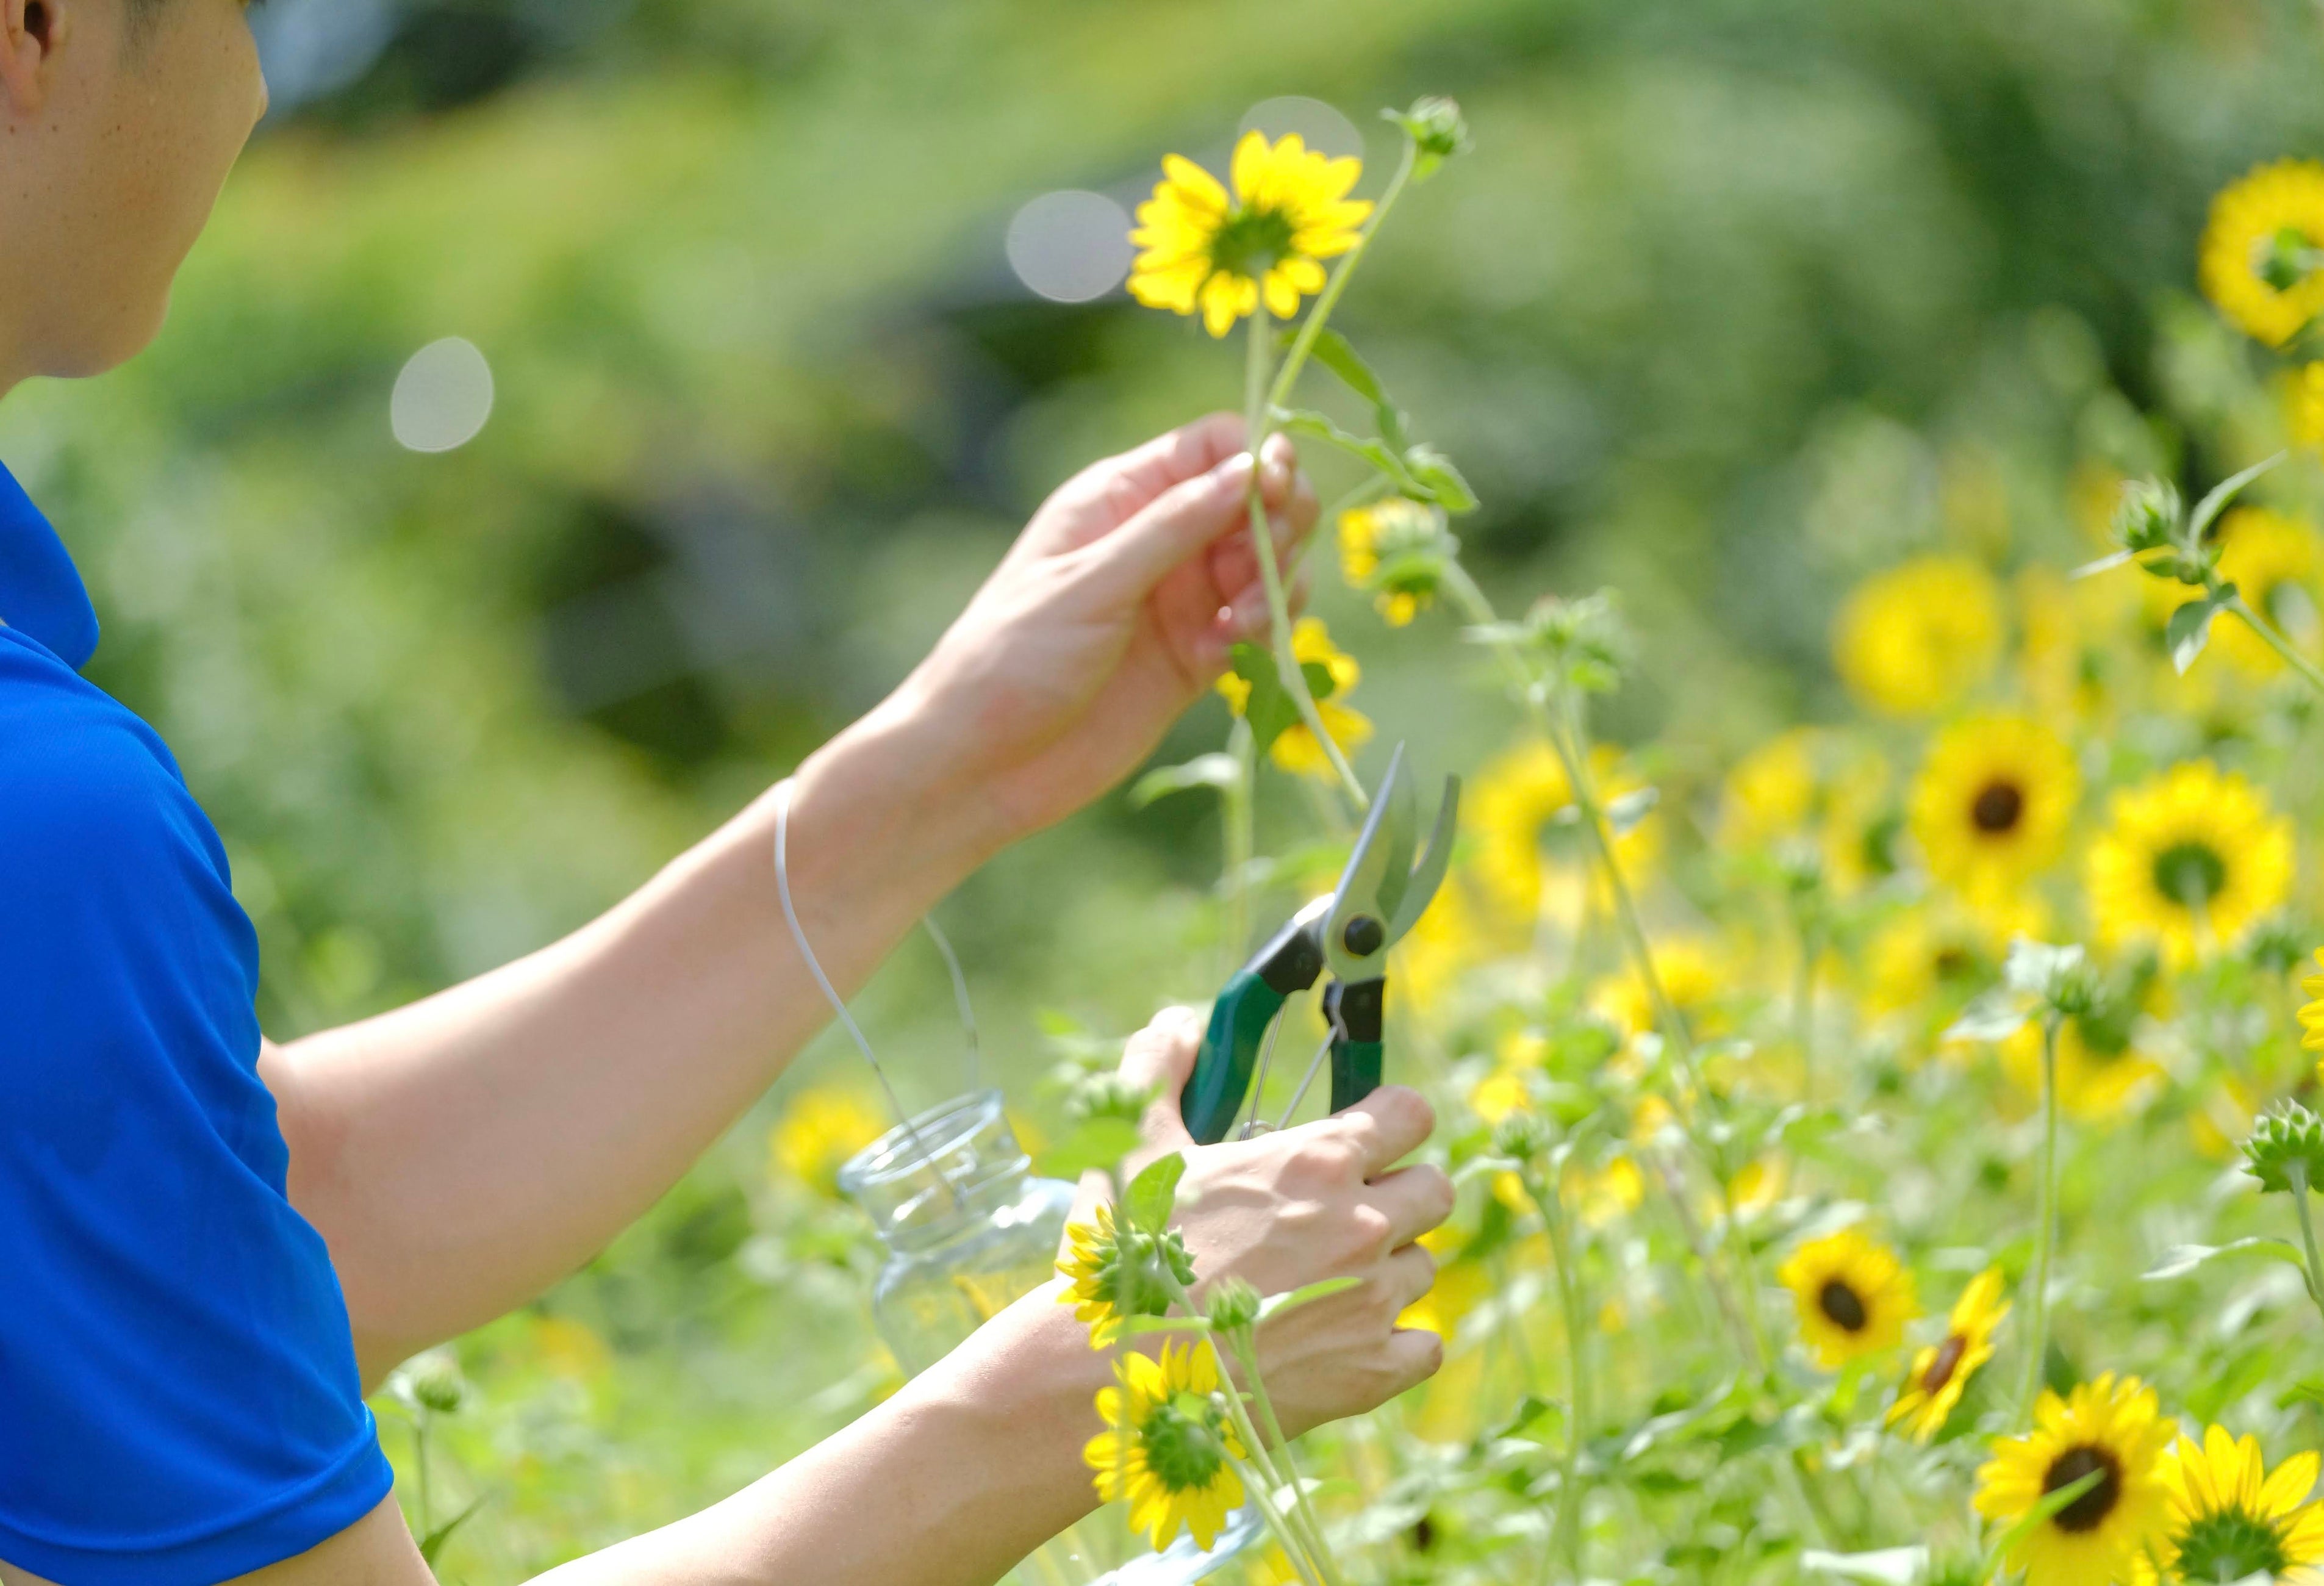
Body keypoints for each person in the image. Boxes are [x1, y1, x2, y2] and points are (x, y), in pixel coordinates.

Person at [0, 2, 1454, 1583]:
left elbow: (267, 1220)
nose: (265, 75)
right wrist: (1112, 1371)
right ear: (34, 30)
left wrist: (925, 785)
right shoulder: (44, 821)